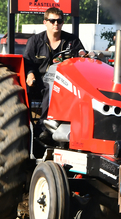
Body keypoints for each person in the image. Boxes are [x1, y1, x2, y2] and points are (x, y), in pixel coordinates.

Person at [23, 7, 84, 142]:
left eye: (59, 21)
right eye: (52, 21)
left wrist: (85, 54)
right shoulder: (35, 41)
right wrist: (30, 74)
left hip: (66, 81)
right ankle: (43, 128)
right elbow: (28, 62)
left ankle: (78, 130)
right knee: (49, 85)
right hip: (40, 81)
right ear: (45, 22)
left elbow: (81, 57)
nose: (56, 24)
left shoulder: (72, 41)